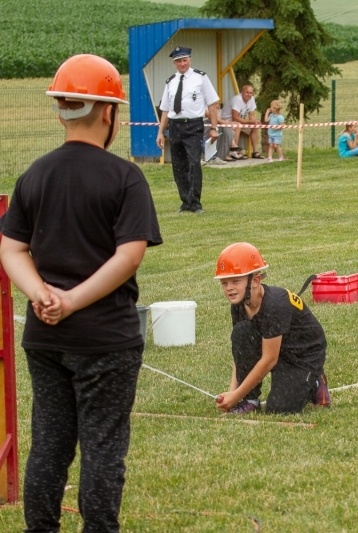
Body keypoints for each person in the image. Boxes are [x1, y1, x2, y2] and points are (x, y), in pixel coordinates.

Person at [0, 54, 162, 531]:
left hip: (45, 340)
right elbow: (128, 256)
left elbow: (11, 249)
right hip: (105, 340)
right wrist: (71, 300)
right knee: (102, 444)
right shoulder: (125, 178)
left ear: (61, 110)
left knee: (49, 441)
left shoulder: (33, 175)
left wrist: (41, 294)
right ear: (108, 112)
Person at [213, 243, 330, 414]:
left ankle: (315, 380)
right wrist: (233, 393)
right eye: (224, 283)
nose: (229, 288)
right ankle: (250, 400)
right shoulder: (239, 304)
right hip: (274, 347)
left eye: (236, 281)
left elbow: (269, 359)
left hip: (303, 355)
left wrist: (236, 395)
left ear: (256, 280)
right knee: (241, 332)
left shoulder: (274, 305)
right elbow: (240, 353)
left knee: (279, 409)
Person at [156, 46, 219, 213]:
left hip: (193, 125)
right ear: (174, 63)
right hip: (175, 126)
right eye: (178, 61)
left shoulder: (201, 78)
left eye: (184, 60)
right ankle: (185, 202)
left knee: (193, 163)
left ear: (190, 60)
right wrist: (160, 132)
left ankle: (195, 203)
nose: (182, 63)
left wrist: (214, 128)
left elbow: (212, 104)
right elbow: (165, 109)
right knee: (178, 165)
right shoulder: (170, 82)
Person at [221, 84, 263, 160]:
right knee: (238, 125)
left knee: (254, 127)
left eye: (251, 93)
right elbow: (235, 117)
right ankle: (234, 152)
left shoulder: (252, 99)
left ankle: (255, 152)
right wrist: (250, 121)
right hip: (227, 121)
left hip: (239, 120)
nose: (249, 94)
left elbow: (252, 115)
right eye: (247, 92)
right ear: (242, 92)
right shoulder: (237, 99)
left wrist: (254, 122)